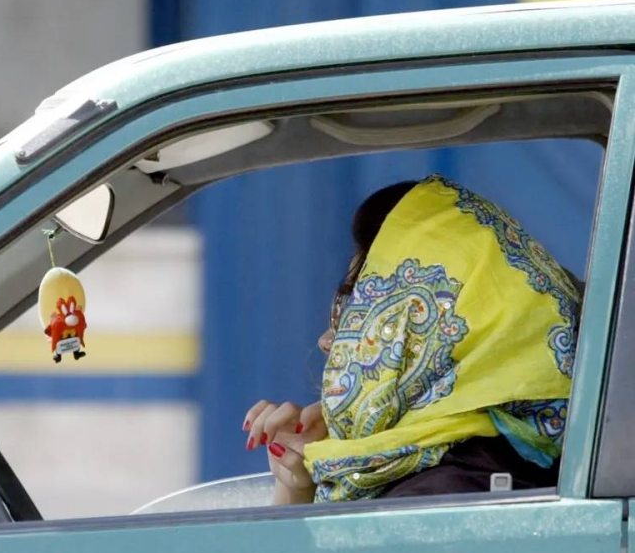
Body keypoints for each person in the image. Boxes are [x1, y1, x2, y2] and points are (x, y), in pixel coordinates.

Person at [243, 175, 581, 504]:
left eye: (360, 309)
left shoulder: (432, 500)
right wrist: (296, 488)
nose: (327, 340)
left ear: (428, 331)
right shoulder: (508, 465)